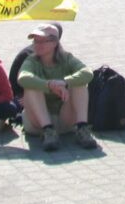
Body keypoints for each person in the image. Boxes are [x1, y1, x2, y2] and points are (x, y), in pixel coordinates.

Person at [17, 23, 98, 151]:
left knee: (79, 84)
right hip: (37, 123)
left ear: (55, 43)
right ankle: (48, 131)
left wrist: (64, 82)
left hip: (64, 119)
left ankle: (82, 128)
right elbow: (22, 78)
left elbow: (88, 73)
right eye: (36, 41)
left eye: (43, 41)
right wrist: (49, 85)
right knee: (31, 87)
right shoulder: (31, 61)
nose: (38, 45)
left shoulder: (67, 58)